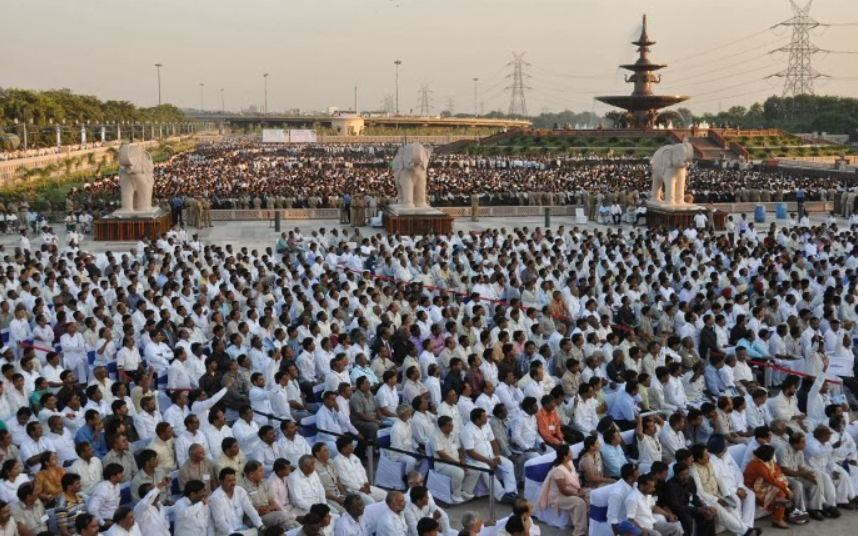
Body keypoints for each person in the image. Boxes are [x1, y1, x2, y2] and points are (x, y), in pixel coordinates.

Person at [460, 407, 517, 502]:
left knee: (508, 464)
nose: (486, 418)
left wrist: (497, 456)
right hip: (476, 459)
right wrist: (488, 461)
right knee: (487, 470)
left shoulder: (486, 425)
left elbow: (493, 441)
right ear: (477, 420)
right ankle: (501, 496)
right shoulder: (467, 431)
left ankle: (511, 491)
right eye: (484, 417)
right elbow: (470, 452)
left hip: (491, 456)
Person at [532, 444, 588, 536]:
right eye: (570, 452)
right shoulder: (558, 470)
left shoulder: (569, 463)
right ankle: (579, 532)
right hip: (558, 497)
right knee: (579, 502)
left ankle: (587, 523)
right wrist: (578, 495)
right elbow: (563, 490)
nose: (572, 453)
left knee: (589, 495)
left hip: (572, 491)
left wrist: (579, 491)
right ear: (565, 456)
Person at [659, 462, 717, 536]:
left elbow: (694, 496)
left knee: (708, 515)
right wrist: (698, 509)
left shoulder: (690, 480)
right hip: (674, 510)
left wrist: (704, 507)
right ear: (676, 475)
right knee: (687, 519)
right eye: (682, 475)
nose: (686, 477)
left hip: (687, 507)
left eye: (687, 474)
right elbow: (676, 507)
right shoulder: (670, 486)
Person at [743, 444, 792, 530]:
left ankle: (783, 513)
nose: (773, 456)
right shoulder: (757, 464)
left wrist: (775, 476)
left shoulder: (765, 460)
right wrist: (786, 489)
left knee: (782, 483)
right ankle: (778, 519)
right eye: (772, 454)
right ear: (767, 455)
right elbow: (771, 479)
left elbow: (777, 469)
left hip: (764, 481)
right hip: (754, 486)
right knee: (780, 492)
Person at [208, 467, 265, 536]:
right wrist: (233, 534)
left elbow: (250, 509)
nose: (233, 483)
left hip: (241, 529)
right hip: (225, 533)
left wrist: (260, 525)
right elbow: (220, 522)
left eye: (234, 480)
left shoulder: (240, 491)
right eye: (229, 481)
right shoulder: (215, 498)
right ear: (221, 481)